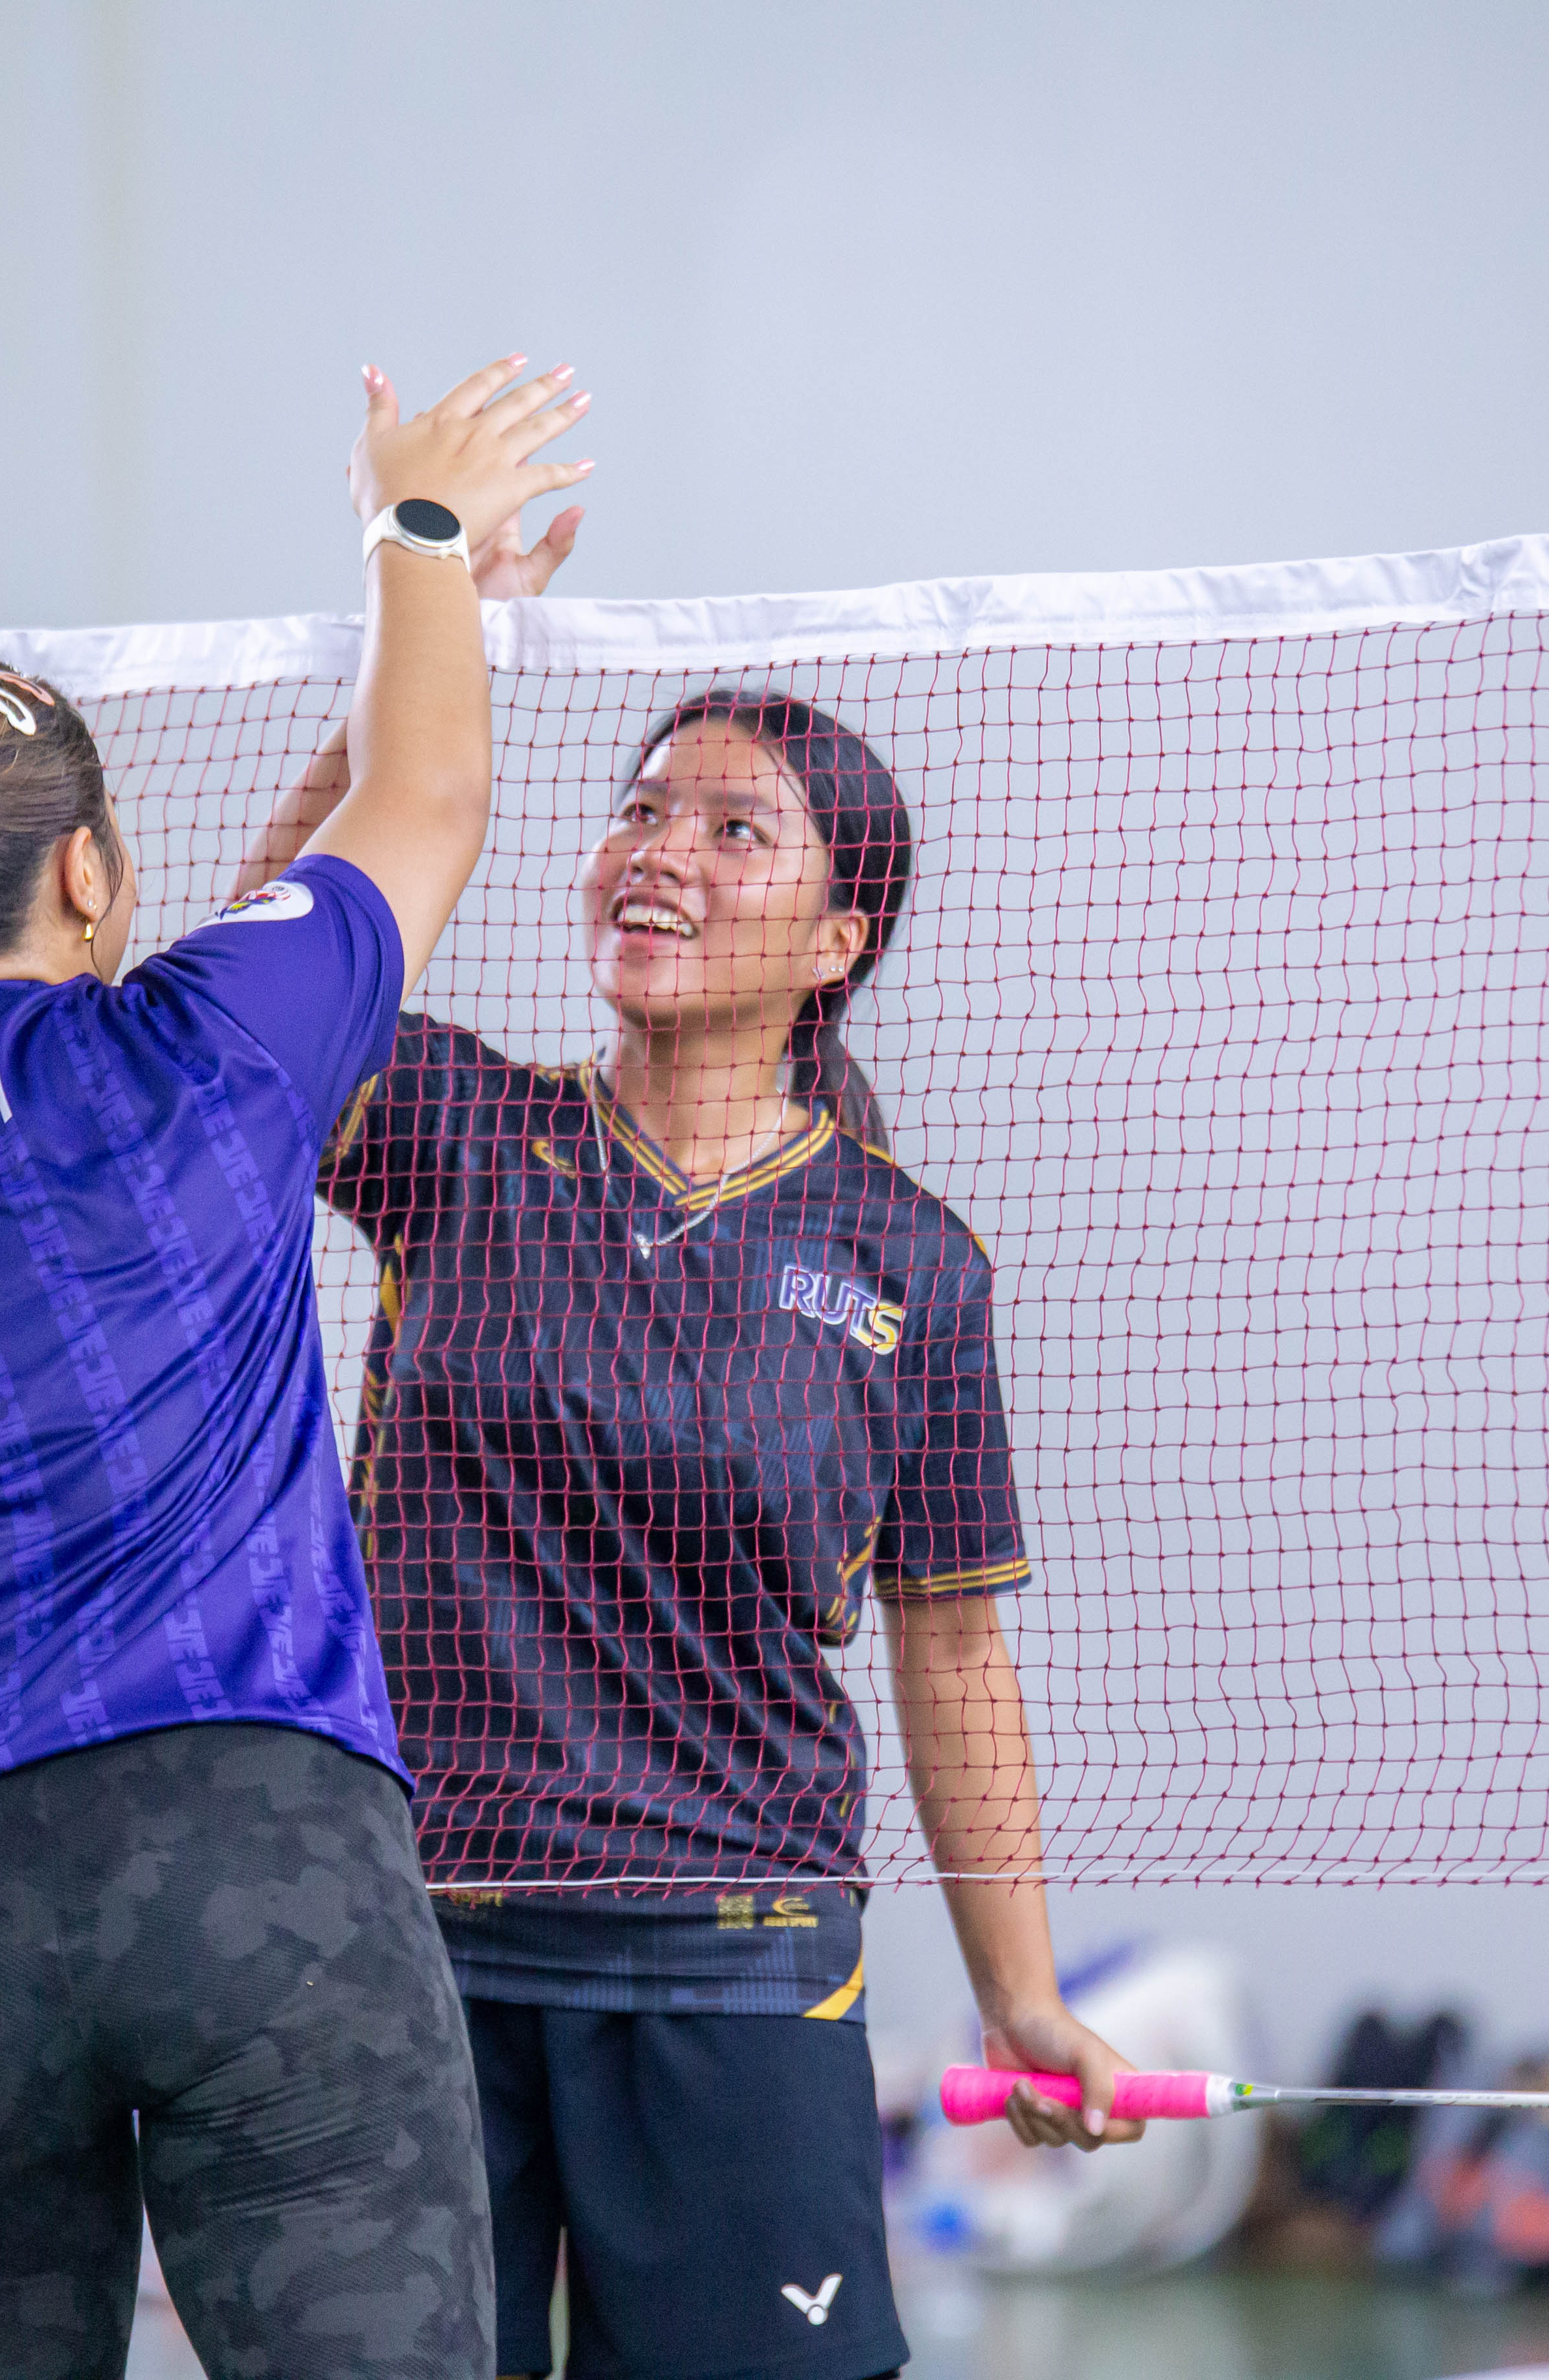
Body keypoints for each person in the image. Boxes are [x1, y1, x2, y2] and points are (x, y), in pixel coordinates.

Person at [0, 353, 590, 2379]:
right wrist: (418, 535)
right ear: (85, 874)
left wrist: (433, 609)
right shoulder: (205, 1051)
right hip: (263, 1879)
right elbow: (425, 804)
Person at [234, 532, 1143, 2380]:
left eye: (736, 831)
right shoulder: (450, 1131)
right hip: (412, 1937)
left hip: (735, 1951)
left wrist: (1025, 1999)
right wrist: (429, 639)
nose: (660, 851)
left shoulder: (910, 1263)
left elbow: (952, 1650)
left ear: (835, 942)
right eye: (641, 810)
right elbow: (260, 990)